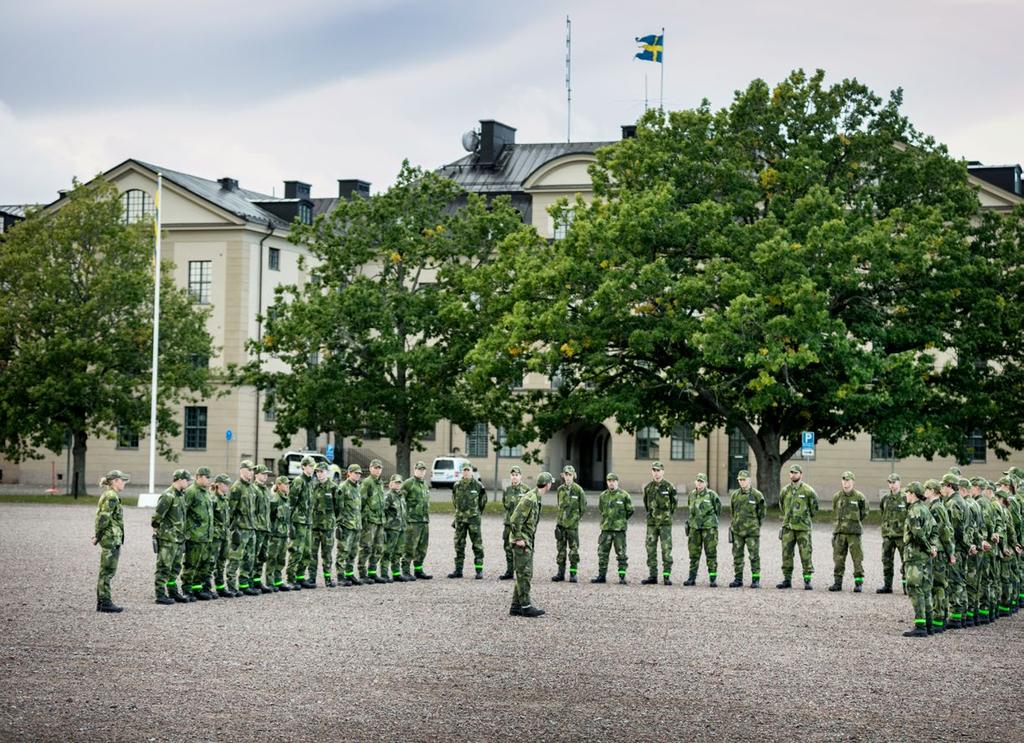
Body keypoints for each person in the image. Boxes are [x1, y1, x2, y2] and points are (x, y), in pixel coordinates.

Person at [509, 472, 552, 617]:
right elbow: (514, 519)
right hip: (521, 542)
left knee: (523, 572)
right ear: (548, 485)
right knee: (525, 573)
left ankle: (515, 606)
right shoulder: (530, 499)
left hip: (527, 540)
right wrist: (518, 538)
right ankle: (526, 606)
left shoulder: (536, 498)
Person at [901, 481, 936, 638]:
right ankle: (929, 625)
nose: (906, 495)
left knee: (915, 589)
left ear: (913, 494)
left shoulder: (914, 510)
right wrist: (933, 547)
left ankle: (920, 626)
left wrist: (929, 547)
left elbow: (917, 533)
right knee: (926, 589)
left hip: (915, 556)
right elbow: (935, 530)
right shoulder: (926, 510)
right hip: (925, 557)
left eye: (907, 492)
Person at [777, 464, 818, 590]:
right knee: (786, 554)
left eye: (795, 472)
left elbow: (814, 508)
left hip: (803, 529)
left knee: (806, 554)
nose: (793, 474)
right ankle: (787, 579)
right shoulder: (785, 491)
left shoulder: (808, 491)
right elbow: (782, 506)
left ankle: (807, 580)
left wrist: (804, 518)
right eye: (791, 472)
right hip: (788, 528)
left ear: (801, 474)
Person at [940, 473, 973, 628]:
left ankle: (956, 617)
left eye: (942, 485)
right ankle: (962, 615)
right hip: (962, 547)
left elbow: (955, 530)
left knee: (955, 582)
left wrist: (951, 550)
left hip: (957, 548)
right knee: (960, 580)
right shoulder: (961, 501)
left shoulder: (953, 503)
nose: (941, 488)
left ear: (948, 486)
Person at [153, 469, 190, 605]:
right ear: (179, 479)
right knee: (164, 566)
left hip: (179, 538)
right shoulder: (168, 495)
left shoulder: (181, 495)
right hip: (168, 538)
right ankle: (160, 594)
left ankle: (173, 591)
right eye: (186, 480)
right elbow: (157, 517)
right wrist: (158, 532)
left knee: (175, 567)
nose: (188, 483)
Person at [94, 470, 128, 613]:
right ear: (115, 481)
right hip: (110, 538)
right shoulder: (111, 496)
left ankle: (103, 601)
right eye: (122, 480)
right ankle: (104, 602)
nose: (124, 483)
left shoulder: (110, 495)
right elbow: (104, 518)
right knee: (107, 571)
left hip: (111, 537)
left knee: (107, 571)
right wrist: (98, 535)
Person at [924, 479, 954, 633]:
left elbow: (943, 532)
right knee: (940, 585)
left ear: (933, 491)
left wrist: (950, 552)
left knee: (938, 585)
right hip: (940, 550)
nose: (924, 491)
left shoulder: (936, 508)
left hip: (939, 551)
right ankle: (941, 618)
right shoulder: (935, 506)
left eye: (927, 488)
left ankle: (938, 618)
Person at [829, 471, 868, 593]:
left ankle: (858, 583)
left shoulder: (859, 497)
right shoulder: (837, 496)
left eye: (848, 480)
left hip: (854, 534)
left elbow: (864, 513)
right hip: (840, 533)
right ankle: (837, 583)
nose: (846, 483)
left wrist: (854, 523)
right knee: (838, 558)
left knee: (857, 558)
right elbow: (834, 511)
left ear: (853, 482)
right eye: (844, 480)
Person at [226, 460, 260, 597]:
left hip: (251, 529)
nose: (252, 472)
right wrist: (232, 529)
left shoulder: (251, 488)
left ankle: (245, 585)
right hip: (240, 529)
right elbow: (230, 511)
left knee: (249, 559)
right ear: (242, 470)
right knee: (235, 559)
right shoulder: (236, 488)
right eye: (249, 470)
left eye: (253, 470)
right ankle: (231, 586)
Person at [182, 466, 216, 601]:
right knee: (191, 564)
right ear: (199, 477)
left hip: (206, 536)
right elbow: (183, 512)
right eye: (207, 477)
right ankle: (187, 589)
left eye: (209, 478)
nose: (208, 480)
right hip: (195, 535)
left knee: (204, 564)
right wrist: (187, 532)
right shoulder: (191, 492)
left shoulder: (206, 492)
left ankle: (198, 589)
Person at [592, 473, 633, 584]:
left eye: (613, 481)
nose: (611, 483)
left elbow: (630, 510)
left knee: (621, 554)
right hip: (606, 529)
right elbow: (601, 509)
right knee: (602, 553)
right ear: (607, 482)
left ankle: (622, 576)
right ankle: (601, 576)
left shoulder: (624, 495)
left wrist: (621, 521)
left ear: (617, 482)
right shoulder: (603, 496)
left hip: (619, 530)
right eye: (609, 481)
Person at [449, 461, 487, 579]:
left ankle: (479, 570)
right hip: (460, 519)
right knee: (459, 544)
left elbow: (483, 501)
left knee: (477, 545)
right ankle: (458, 570)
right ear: (462, 472)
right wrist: (459, 513)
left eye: (468, 470)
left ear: (471, 471)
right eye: (464, 470)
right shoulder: (457, 485)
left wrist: (476, 513)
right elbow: (454, 501)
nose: (466, 472)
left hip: (473, 520)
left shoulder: (478, 485)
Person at [728, 469, 765, 588]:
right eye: (740, 480)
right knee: (737, 556)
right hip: (737, 531)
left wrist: (755, 525)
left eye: (744, 480)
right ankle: (738, 579)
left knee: (754, 555)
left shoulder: (756, 495)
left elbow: (762, 513)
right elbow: (733, 511)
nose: (741, 482)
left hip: (752, 532)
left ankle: (755, 579)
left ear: (749, 480)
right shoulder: (735, 495)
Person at [642, 461, 677, 586]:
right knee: (650, 549)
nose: (656, 473)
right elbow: (646, 504)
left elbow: (674, 504)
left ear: (663, 472)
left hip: (665, 524)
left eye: (659, 471)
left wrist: (665, 516)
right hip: (651, 524)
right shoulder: (648, 488)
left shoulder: (669, 487)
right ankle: (652, 575)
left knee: (666, 549)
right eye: (654, 470)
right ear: (652, 472)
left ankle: (666, 576)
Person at [553, 465, 587, 582]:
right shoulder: (560, 490)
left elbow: (583, 508)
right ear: (563, 476)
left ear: (574, 476)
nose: (568, 477)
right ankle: (560, 573)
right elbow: (559, 506)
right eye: (566, 475)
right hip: (561, 525)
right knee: (561, 551)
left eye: (570, 475)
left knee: (573, 551)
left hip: (572, 527)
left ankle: (573, 574)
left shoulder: (578, 490)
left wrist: (574, 519)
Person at [877, 473, 908, 594]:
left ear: (899, 482)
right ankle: (887, 585)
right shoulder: (885, 499)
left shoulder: (905, 498)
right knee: (887, 561)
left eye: (894, 482)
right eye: (890, 483)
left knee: (905, 561)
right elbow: (882, 513)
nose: (892, 485)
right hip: (888, 536)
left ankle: (906, 586)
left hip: (901, 536)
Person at [287, 456, 315, 589]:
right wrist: (290, 523)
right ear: (303, 466)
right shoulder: (299, 481)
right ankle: (291, 578)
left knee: (307, 551)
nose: (312, 468)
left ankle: (300, 577)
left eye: (313, 466)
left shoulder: (310, 482)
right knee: (296, 550)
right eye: (309, 466)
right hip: (298, 521)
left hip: (308, 521)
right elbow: (291, 503)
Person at [401, 461, 432, 580]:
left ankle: (419, 570)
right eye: (419, 469)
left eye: (423, 470)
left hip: (424, 520)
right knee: (410, 546)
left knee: (422, 547)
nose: (421, 471)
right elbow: (401, 500)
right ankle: (405, 570)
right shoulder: (408, 484)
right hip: (412, 521)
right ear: (414, 470)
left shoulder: (424, 484)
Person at [359, 459, 387, 584]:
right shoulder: (367, 482)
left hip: (380, 520)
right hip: (369, 521)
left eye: (379, 468)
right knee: (366, 547)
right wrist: (362, 519)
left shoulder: (379, 483)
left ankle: (372, 572)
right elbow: (361, 502)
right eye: (375, 468)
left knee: (378, 548)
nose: (377, 470)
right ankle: (362, 573)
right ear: (370, 469)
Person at [335, 464, 364, 586]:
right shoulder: (343, 487)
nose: (357, 475)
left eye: (359, 474)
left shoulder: (357, 487)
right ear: (349, 473)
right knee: (343, 551)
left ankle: (349, 574)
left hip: (356, 525)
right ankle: (340, 576)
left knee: (353, 551)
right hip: (346, 525)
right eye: (355, 473)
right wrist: (340, 524)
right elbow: (338, 507)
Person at [310, 462, 337, 587]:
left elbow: (339, 507)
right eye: (317, 472)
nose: (319, 474)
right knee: (312, 553)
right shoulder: (313, 487)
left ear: (327, 472)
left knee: (327, 554)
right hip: (314, 526)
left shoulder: (333, 487)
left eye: (321, 471)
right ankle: (311, 578)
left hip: (327, 527)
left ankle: (327, 578)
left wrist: (335, 522)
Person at [500, 465, 529, 580]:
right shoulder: (507, 490)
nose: (514, 477)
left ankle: (521, 572)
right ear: (510, 476)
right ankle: (509, 571)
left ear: (520, 476)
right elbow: (505, 504)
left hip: (521, 525)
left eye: (516, 475)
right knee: (507, 547)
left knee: (521, 548)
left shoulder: (526, 490)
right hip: (508, 524)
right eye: (512, 475)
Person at [266, 475, 293, 590]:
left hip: (283, 534)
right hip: (275, 535)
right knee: (272, 558)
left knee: (281, 559)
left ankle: (278, 580)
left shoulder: (286, 499)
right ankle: (270, 582)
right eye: (285, 484)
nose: (287, 486)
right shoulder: (275, 499)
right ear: (278, 485)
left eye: (288, 484)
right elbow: (270, 517)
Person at [210, 474, 233, 597]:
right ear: (218, 484)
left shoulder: (225, 499)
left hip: (224, 535)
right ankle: (206, 587)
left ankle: (220, 587)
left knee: (221, 562)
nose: (227, 487)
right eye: (225, 484)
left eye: (228, 485)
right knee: (211, 562)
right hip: (215, 536)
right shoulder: (213, 499)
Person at [251, 464, 273, 593]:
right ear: (256, 474)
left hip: (265, 527)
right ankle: (249, 582)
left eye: (266, 474)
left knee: (262, 557)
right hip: (257, 527)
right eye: (263, 474)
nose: (265, 476)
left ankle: (257, 580)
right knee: (253, 556)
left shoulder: (265, 489)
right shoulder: (254, 489)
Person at [383, 474, 408, 582]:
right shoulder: (388, 496)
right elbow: (382, 511)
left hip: (401, 528)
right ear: (391, 483)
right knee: (388, 551)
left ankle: (396, 573)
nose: (398, 485)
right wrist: (385, 526)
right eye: (396, 483)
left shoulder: (401, 496)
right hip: (391, 528)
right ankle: (384, 574)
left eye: (399, 483)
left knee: (399, 551)